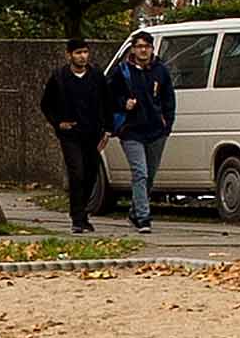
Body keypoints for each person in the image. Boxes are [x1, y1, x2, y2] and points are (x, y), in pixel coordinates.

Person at [107, 30, 179, 232]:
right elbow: (109, 96)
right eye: (139, 47)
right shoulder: (122, 71)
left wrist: (167, 125)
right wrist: (123, 104)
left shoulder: (160, 71)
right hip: (131, 131)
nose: (143, 50)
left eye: (146, 47)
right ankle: (144, 217)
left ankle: (135, 210)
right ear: (133, 49)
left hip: (156, 130)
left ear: (152, 49)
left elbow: (168, 99)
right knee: (140, 172)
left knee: (150, 175)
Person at [39, 42, 113, 231]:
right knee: (77, 172)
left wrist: (108, 129)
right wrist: (58, 123)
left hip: (93, 133)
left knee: (90, 173)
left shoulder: (96, 76)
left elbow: (107, 101)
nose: (82, 56)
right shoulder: (60, 77)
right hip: (71, 134)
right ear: (69, 55)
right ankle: (77, 217)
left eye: (85, 52)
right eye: (78, 53)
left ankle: (83, 212)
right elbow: (46, 104)